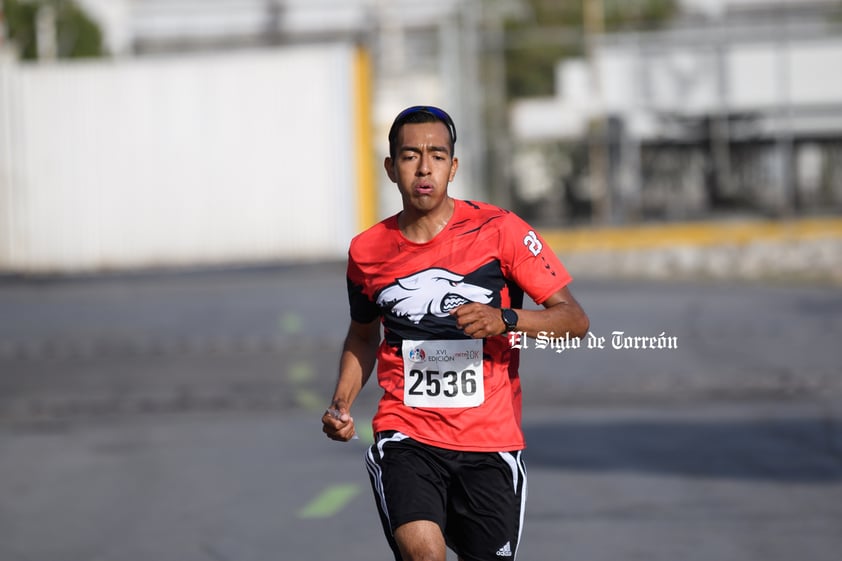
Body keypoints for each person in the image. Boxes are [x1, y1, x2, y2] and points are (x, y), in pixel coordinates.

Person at [321, 105, 589, 561]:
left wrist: (505, 319)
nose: (424, 168)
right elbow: (363, 335)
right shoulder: (368, 251)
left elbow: (574, 320)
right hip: (408, 433)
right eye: (410, 156)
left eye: (437, 155)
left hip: (490, 442)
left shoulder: (501, 230)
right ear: (391, 168)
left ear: (454, 166)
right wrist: (342, 403)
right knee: (423, 553)